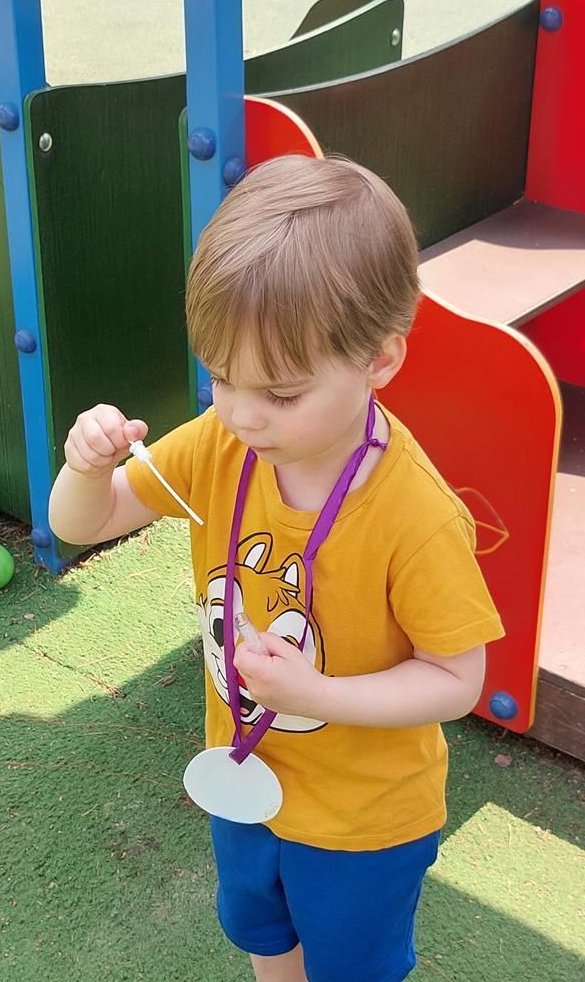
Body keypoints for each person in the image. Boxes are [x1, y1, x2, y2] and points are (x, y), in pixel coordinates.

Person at [48, 154, 505, 982]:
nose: (242, 413)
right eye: (221, 376)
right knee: (265, 938)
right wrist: (84, 469)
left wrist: (317, 695)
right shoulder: (223, 443)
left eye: (282, 394)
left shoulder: (416, 515)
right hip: (244, 780)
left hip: (364, 824)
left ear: (380, 362)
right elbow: (88, 522)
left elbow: (455, 679)